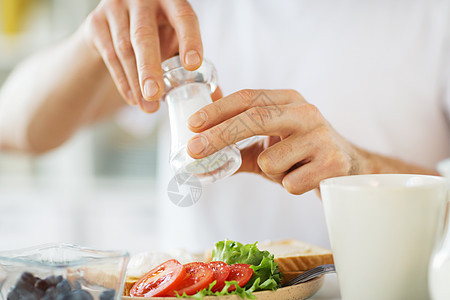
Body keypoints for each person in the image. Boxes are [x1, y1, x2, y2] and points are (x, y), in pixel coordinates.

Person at [0, 0, 448, 253]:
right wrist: (92, 41)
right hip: (200, 285)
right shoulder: (185, 11)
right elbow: (15, 128)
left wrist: (361, 172)